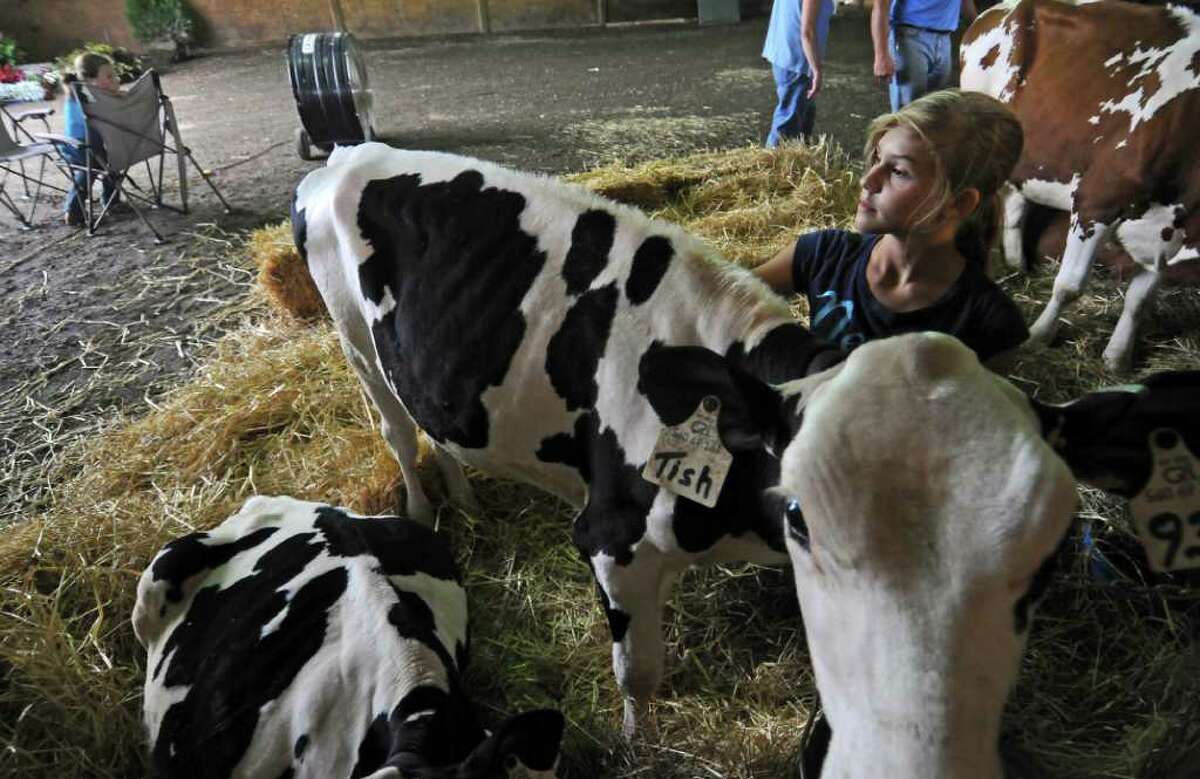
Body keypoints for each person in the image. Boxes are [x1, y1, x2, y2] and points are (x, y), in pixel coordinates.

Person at [753, 89, 1027, 369]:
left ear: (958, 203)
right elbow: (716, 300)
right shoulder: (824, 255)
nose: (868, 180)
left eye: (898, 171)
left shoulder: (989, 324)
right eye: (877, 158)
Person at [871, 0, 977, 111]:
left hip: (944, 38)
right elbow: (881, 5)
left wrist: (979, 24)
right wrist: (881, 55)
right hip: (909, 37)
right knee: (907, 111)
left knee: (936, 107)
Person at [59, 52, 124, 226]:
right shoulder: (83, 94)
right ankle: (73, 211)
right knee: (91, 168)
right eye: (109, 76)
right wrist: (116, 95)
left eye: (114, 75)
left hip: (95, 144)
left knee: (115, 157)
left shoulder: (88, 91)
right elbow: (107, 115)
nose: (114, 79)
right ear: (90, 79)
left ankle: (111, 201)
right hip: (78, 146)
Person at [762, 0, 835, 146]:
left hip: (783, 50)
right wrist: (816, 69)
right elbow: (807, 32)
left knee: (801, 117)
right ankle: (771, 163)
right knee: (788, 124)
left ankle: (795, 163)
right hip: (798, 59)